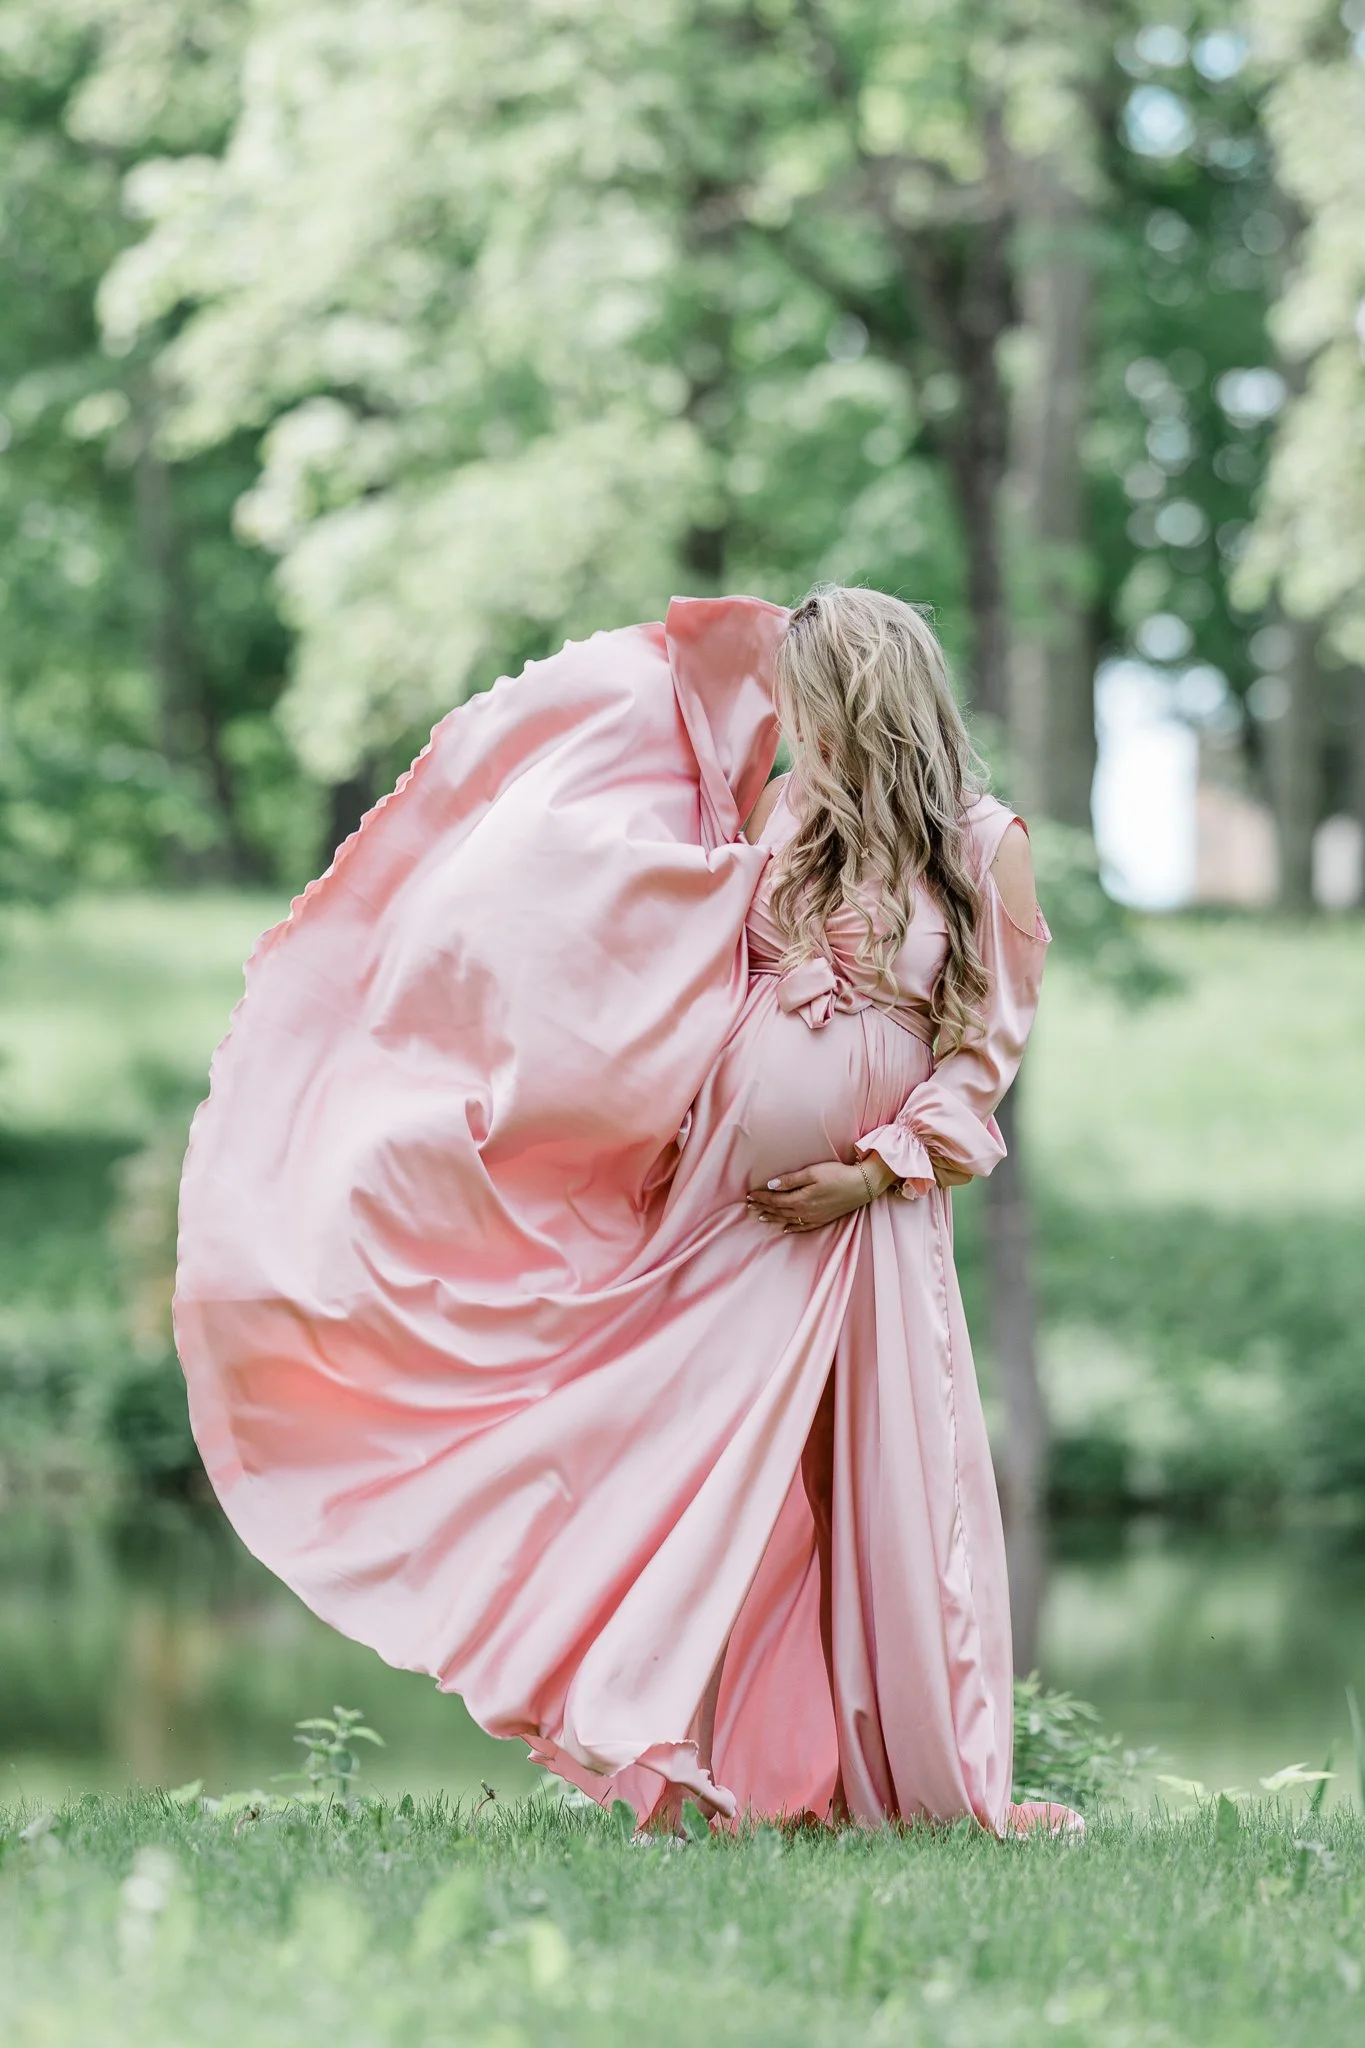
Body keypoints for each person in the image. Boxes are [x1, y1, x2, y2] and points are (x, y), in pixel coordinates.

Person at [174, 583, 1068, 1838]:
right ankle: (672, 1741)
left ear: (873, 697)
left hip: (868, 1214)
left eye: (816, 704)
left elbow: (985, 1056)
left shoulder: (984, 844)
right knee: (685, 1468)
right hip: (731, 1206)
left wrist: (870, 1169)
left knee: (879, 1482)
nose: (798, 730)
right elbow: (702, 947)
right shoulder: (798, 816)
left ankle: (914, 1782)